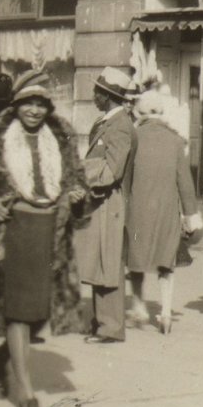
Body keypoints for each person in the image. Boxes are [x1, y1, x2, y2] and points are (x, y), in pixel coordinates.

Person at [0, 70, 88, 407]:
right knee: (19, 311)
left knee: (40, 311)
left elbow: (77, 178)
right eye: (29, 103)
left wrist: (76, 194)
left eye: (41, 104)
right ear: (17, 104)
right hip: (14, 230)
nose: (35, 111)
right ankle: (25, 392)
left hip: (52, 231)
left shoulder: (60, 135)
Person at [125, 90, 199, 335]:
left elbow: (126, 179)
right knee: (166, 262)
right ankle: (166, 313)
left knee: (136, 259)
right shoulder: (176, 141)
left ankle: (139, 307)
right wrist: (191, 215)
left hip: (137, 208)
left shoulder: (132, 137)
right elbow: (184, 182)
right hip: (166, 209)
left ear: (139, 112)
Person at [74, 67, 138, 344]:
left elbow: (113, 171)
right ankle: (101, 322)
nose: (94, 96)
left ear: (108, 96)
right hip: (101, 202)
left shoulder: (120, 126)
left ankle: (111, 327)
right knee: (101, 261)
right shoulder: (107, 122)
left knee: (109, 263)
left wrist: (80, 175)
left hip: (109, 202)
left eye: (98, 92)